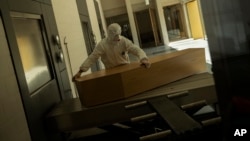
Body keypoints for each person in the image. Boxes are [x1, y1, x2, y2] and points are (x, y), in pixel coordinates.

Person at [72, 23, 151, 81]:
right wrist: (81, 71)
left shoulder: (123, 40)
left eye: (118, 35)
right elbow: (92, 57)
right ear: (110, 35)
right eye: (115, 35)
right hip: (111, 72)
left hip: (126, 69)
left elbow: (135, 49)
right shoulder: (102, 45)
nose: (118, 38)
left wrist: (143, 58)